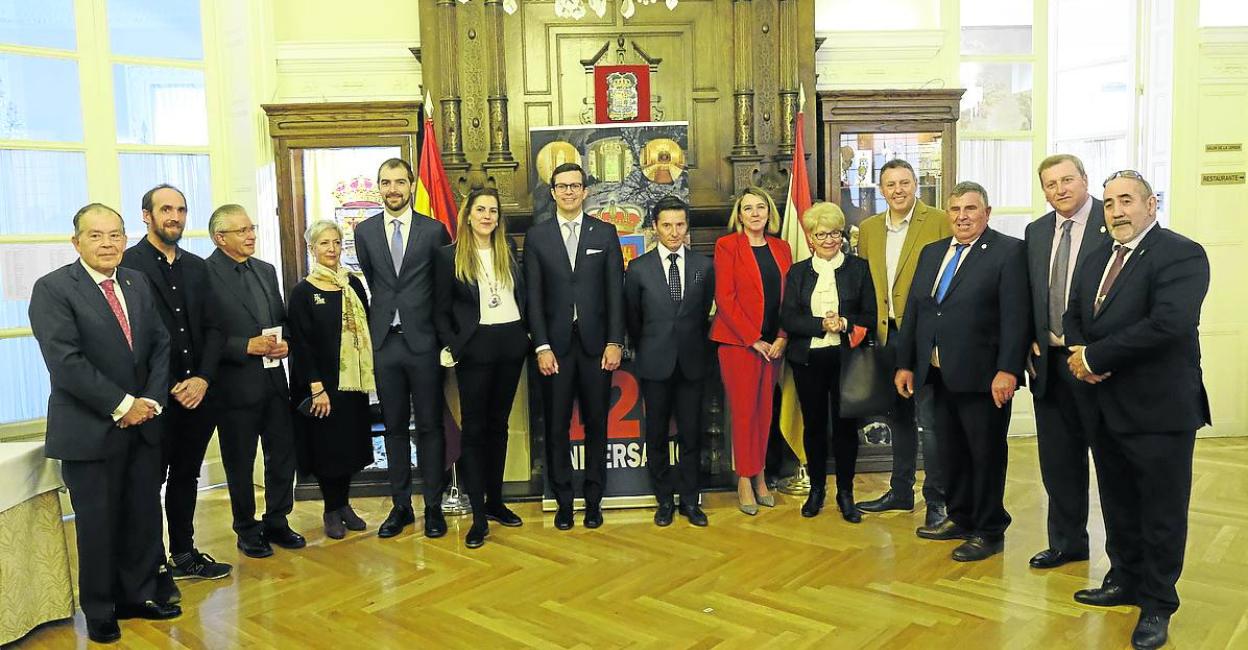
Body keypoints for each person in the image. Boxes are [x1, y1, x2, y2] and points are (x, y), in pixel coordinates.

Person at [1064, 170, 1210, 650]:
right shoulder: (1099, 255)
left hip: (1159, 409)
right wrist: (1084, 354)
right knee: (1118, 501)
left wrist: (1096, 358)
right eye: (1108, 203)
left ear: (1152, 204)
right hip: (1104, 406)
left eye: (1126, 200)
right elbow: (1073, 314)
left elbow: (1168, 323)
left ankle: (1157, 603)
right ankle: (1123, 579)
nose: (1116, 211)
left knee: (1162, 511)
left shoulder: (1181, 253)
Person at [29, 203, 178, 644]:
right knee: (97, 525)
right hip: (90, 431)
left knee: (142, 516)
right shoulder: (53, 288)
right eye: (96, 236)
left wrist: (149, 400)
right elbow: (66, 362)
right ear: (76, 242)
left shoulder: (137, 281)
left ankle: (138, 594)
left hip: (144, 424)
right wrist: (122, 405)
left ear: (126, 238)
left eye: (115, 234)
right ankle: (100, 607)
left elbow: (160, 345)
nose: (108, 243)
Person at [894, 181, 1029, 562]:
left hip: (984, 377)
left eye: (970, 209)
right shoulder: (932, 252)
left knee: (984, 454)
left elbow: (1016, 318)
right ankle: (960, 516)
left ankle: (989, 530)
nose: (962, 216)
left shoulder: (1008, 252)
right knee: (950, 452)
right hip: (936, 372)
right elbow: (917, 313)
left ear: (986, 213)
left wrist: (1008, 370)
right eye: (955, 210)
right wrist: (906, 363)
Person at [120, 184, 232, 583]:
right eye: (165, 209)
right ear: (146, 216)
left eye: (181, 210)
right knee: (150, 480)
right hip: (153, 398)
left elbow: (216, 328)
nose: (175, 217)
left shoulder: (198, 267)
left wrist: (202, 378)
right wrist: (164, 387)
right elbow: (134, 338)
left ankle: (184, 553)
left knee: (187, 475)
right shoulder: (127, 266)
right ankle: (150, 564)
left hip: (199, 394)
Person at [354, 158, 452, 539]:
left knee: (429, 426)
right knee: (393, 428)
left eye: (399, 182)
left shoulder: (434, 230)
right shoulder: (364, 232)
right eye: (385, 182)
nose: (392, 189)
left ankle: (432, 507)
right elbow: (376, 279)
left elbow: (442, 284)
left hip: (424, 343)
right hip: (385, 344)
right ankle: (400, 508)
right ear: (378, 188)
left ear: (412, 185)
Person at [1022, 154, 1112, 570]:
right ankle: (1066, 542)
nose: (1059, 190)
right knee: (1058, 461)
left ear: (1085, 179)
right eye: (1050, 184)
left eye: (1067, 180)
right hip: (1049, 365)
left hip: (1097, 365)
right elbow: (1028, 296)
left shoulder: (1111, 226)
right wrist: (1027, 343)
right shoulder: (1037, 231)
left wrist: (1095, 351)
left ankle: (1122, 559)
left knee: (1111, 462)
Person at [525, 162, 625, 530]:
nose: (569, 192)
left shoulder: (606, 233)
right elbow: (533, 299)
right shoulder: (537, 237)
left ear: (585, 192)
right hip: (555, 350)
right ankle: (564, 502)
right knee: (555, 427)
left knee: (598, 425)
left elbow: (616, 293)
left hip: (598, 348)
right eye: (562, 186)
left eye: (575, 186)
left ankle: (594, 501)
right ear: (552, 192)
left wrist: (616, 342)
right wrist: (542, 346)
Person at [203, 204, 305, 558]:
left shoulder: (266, 269)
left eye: (252, 228)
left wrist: (286, 343)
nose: (251, 236)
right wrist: (244, 346)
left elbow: (282, 319)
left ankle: (277, 519)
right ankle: (246, 529)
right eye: (242, 230)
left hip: (275, 382)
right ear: (220, 238)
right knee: (240, 462)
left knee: (282, 456)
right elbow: (202, 337)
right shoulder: (204, 274)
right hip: (233, 387)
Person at [855, 159, 952, 528]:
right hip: (886, 335)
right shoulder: (869, 229)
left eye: (905, 183)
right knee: (898, 418)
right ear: (881, 190)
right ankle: (900, 490)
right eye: (890, 184)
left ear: (916, 185)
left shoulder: (940, 220)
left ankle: (937, 500)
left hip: (927, 337)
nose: (898, 190)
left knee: (930, 419)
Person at [433, 188, 529, 548]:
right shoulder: (448, 258)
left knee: (498, 426)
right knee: (474, 430)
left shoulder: (509, 251)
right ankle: (476, 516)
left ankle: (495, 502)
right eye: (481, 210)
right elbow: (440, 311)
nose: (487, 215)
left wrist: (525, 335)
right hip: (475, 347)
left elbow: (520, 296)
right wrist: (455, 345)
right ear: (468, 215)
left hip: (510, 344)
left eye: (493, 210)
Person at [779, 202, 875, 522]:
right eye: (822, 234)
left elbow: (870, 316)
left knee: (846, 427)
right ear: (810, 238)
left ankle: (846, 493)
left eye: (835, 233)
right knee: (815, 426)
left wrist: (845, 323)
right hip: (809, 359)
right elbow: (789, 318)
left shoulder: (859, 269)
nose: (830, 240)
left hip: (848, 357)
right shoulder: (797, 272)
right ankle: (816, 489)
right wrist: (822, 324)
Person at [624, 195, 715, 528]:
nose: (674, 232)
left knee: (692, 435)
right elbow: (632, 319)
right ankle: (664, 500)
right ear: (654, 227)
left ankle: (691, 501)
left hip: (692, 363)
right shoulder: (637, 269)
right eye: (667, 225)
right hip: (654, 363)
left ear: (687, 226)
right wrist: (647, 347)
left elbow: (705, 312)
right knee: (657, 435)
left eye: (680, 224)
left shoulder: (704, 266)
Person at [287, 220, 376, 540]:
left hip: (351, 382)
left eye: (336, 242)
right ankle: (330, 509)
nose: (331, 249)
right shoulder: (303, 292)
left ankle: (344, 504)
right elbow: (301, 343)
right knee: (328, 450)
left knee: (350, 446)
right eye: (324, 243)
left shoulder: (352, 284)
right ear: (312, 249)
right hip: (320, 385)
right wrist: (316, 387)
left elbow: (366, 326)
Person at [710, 186, 793, 515]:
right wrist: (753, 338)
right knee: (744, 413)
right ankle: (745, 479)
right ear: (739, 215)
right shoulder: (727, 246)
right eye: (748, 208)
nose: (755, 213)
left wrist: (782, 337)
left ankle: (760, 475)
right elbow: (725, 299)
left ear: (769, 212)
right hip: (739, 345)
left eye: (761, 207)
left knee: (764, 412)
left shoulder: (782, 248)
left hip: (774, 345)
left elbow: (791, 297)